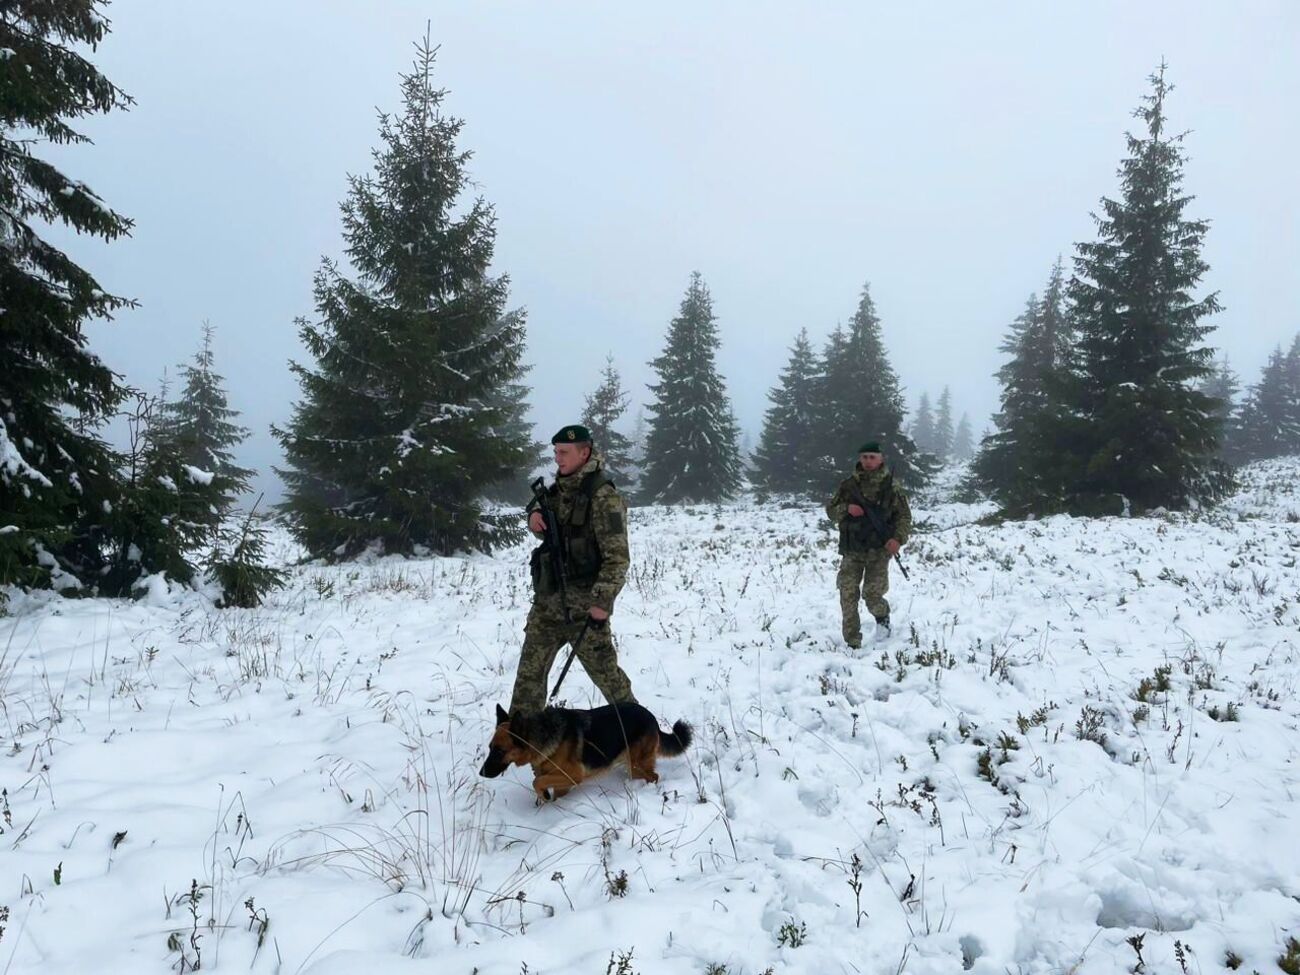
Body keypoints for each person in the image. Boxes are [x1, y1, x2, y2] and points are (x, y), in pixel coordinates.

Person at [507, 424, 638, 716]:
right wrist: (534, 517)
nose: (558, 458)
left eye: (564, 452)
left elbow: (617, 558)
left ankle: (638, 732)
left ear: (584, 453)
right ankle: (519, 735)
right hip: (548, 604)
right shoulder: (557, 491)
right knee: (529, 678)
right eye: (556, 452)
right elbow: (550, 531)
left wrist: (602, 603)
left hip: (585, 608)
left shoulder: (604, 497)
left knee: (609, 679)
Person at [825, 441, 913, 648]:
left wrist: (897, 539)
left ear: (881, 459)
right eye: (864, 457)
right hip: (852, 549)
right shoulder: (848, 486)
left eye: (872, 457)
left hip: (879, 551)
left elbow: (904, 517)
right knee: (847, 593)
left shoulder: (892, 487)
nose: (868, 461)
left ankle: (883, 619)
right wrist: (847, 508)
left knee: (872, 596)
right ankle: (852, 641)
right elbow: (831, 511)